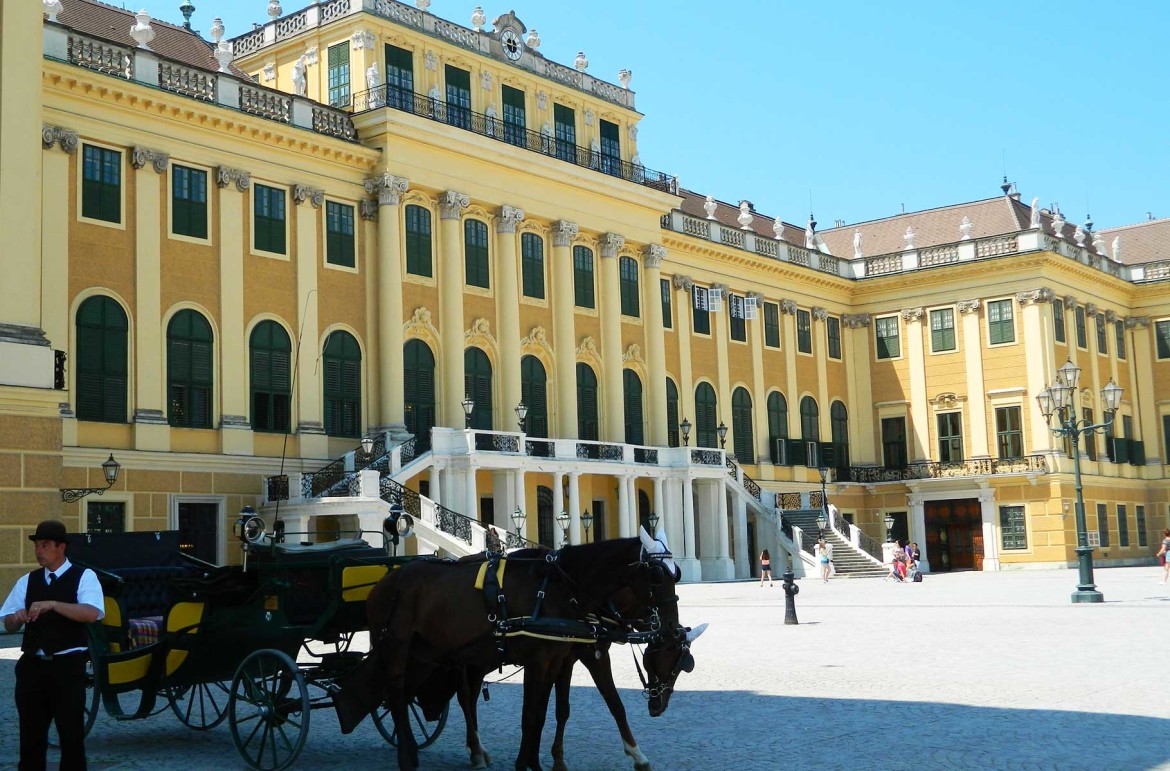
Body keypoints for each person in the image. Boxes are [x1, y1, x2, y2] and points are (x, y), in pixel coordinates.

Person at [1, 520, 104, 771]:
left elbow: (92, 613)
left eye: (44, 545)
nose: (39, 551)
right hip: (32, 667)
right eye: (37, 545)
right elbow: (7, 621)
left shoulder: (84, 576)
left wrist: (54, 604)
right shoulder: (28, 580)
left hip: (67, 667)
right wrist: (16, 618)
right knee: (31, 737)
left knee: (70, 736)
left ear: (61, 547)